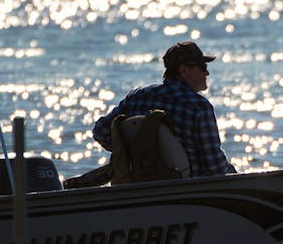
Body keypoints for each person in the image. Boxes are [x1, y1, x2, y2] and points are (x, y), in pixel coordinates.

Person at [91, 41, 236, 177]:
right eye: (202, 67)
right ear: (184, 70)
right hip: (187, 190)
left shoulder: (137, 97)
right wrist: (237, 175)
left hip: (138, 187)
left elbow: (100, 131)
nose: (207, 73)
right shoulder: (199, 106)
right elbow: (215, 167)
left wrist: (130, 155)